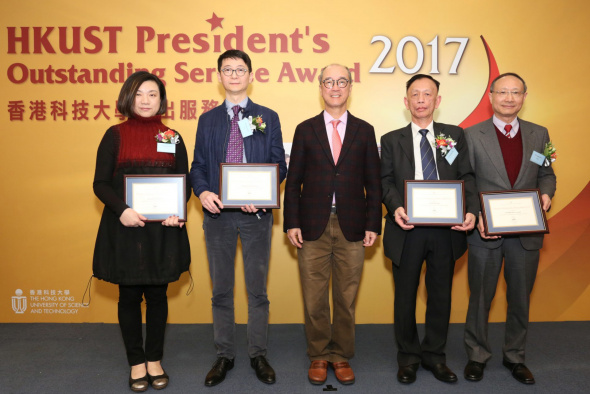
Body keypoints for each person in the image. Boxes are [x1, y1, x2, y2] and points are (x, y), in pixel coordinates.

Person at [189, 50, 286, 386]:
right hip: (218, 216)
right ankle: (224, 354)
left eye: (239, 69)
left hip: (256, 215)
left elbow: (279, 164)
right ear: (219, 76)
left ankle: (258, 354)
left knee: (257, 290)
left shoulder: (267, 117)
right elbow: (198, 166)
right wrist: (202, 193)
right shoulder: (208, 120)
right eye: (227, 69)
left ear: (250, 75)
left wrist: (259, 195)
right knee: (222, 290)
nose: (233, 75)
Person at [93, 71, 191, 392]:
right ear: (127, 98)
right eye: (139, 95)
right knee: (130, 296)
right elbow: (101, 183)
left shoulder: (171, 136)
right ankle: (136, 362)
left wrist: (176, 210)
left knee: (158, 295)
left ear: (161, 99)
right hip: (125, 227)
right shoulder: (114, 135)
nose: (146, 101)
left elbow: (183, 182)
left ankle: (154, 359)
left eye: (152, 94)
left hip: (162, 231)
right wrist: (123, 210)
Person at [284, 64, 382, 386]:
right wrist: (291, 222)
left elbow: (373, 182)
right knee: (313, 297)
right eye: (329, 82)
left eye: (342, 81)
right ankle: (318, 355)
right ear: (321, 87)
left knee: (346, 296)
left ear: (350, 87)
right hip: (312, 225)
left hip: (353, 226)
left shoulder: (365, 130)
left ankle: (340, 355)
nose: (335, 87)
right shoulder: (305, 129)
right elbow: (294, 179)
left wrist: (373, 223)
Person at [380, 74, 478, 384]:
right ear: (406, 101)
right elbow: (384, 181)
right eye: (415, 94)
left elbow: (467, 177)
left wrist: (471, 211)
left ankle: (435, 356)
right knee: (405, 296)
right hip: (406, 227)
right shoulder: (390, 139)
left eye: (428, 94)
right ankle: (408, 356)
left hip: (446, 228)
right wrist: (396, 207)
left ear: (437, 101)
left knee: (440, 295)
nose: (421, 99)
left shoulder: (455, 136)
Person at [463, 73, 556, 385]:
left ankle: (515, 356)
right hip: (485, 232)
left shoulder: (539, 134)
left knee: (520, 297)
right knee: (480, 298)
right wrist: (477, 215)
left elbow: (546, 172)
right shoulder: (471, 134)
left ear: (524, 97)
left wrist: (546, 193)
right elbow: (466, 180)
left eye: (515, 92)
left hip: (526, 234)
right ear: (491, 96)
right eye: (502, 92)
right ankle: (477, 355)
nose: (508, 98)